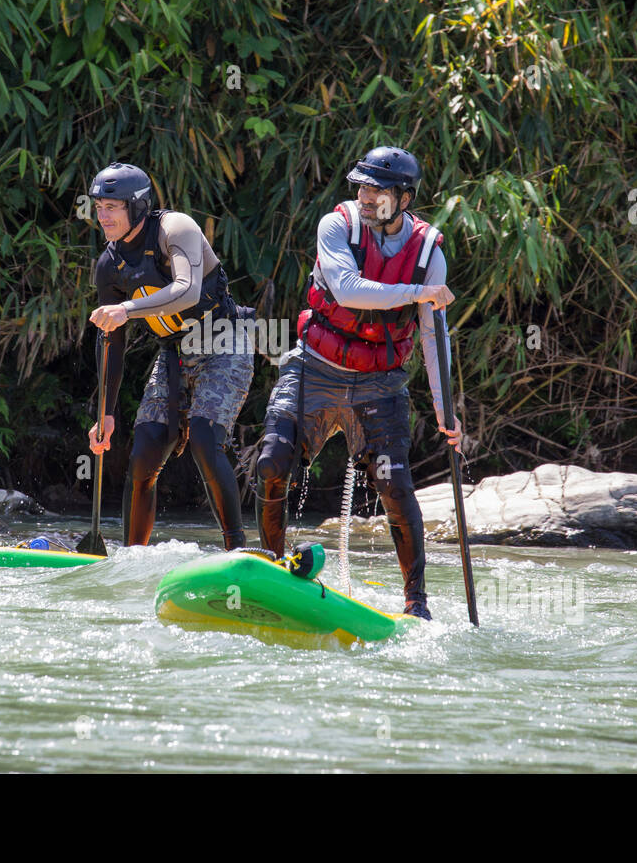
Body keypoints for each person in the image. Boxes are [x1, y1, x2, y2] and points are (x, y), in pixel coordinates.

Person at [256, 146, 464, 620]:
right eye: (362, 187)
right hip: (315, 366)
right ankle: (269, 567)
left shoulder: (429, 253)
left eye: (378, 190)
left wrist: (443, 409)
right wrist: (418, 294)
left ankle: (417, 604)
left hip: (380, 381)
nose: (366, 197)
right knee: (272, 461)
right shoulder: (338, 226)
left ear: (404, 198)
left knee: (395, 486)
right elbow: (347, 289)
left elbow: (433, 335)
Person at [86, 162, 254, 551]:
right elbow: (111, 340)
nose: (103, 216)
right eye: (98, 207)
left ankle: (239, 551)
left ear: (139, 206)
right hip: (175, 355)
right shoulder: (109, 265)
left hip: (224, 342)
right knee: (144, 452)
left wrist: (125, 310)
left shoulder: (175, 229)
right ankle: (132, 556)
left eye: (113, 206)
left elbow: (188, 289)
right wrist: (105, 413)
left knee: (204, 440)